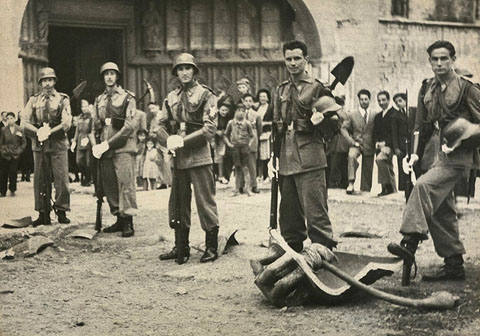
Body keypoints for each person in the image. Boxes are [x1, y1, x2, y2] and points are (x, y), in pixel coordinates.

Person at [388, 40, 480, 281]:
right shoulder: (426, 88)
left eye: (444, 59)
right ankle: (453, 265)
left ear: (453, 60)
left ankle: (409, 241)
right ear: (429, 62)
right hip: (433, 152)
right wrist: (415, 153)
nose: (439, 63)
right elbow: (420, 125)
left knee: (423, 187)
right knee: (440, 209)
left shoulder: (467, 88)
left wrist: (464, 135)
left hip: (458, 155)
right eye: (435, 59)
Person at [271, 40, 338, 253]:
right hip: (287, 157)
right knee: (289, 212)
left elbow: (335, 124)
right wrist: (274, 158)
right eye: (288, 59)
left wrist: (323, 121)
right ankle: (293, 253)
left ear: (306, 59)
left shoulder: (318, 87)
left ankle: (323, 251)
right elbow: (276, 127)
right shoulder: (280, 90)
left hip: (310, 156)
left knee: (315, 211)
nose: (293, 63)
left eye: (297, 58)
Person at [156, 53, 220, 263]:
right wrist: (168, 140)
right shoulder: (171, 97)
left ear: (194, 71)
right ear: (176, 73)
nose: (184, 72)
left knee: (205, 202)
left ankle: (211, 246)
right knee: (178, 203)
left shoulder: (206, 95)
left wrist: (183, 141)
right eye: (180, 69)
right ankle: (180, 245)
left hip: (199, 155)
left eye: (188, 68)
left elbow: (209, 128)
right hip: (178, 158)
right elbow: (159, 125)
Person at [92, 62, 138, 238]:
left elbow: (128, 127)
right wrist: (95, 144)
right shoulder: (99, 100)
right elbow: (96, 125)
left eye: (112, 74)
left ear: (117, 76)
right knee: (109, 185)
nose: (109, 77)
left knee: (125, 184)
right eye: (106, 74)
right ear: (103, 77)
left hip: (123, 147)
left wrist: (108, 144)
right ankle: (118, 217)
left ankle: (128, 221)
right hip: (105, 149)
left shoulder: (127, 98)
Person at [21, 67, 72, 226]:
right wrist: (38, 132)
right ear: (40, 83)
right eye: (44, 80)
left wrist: (49, 131)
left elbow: (66, 123)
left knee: (61, 178)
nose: (47, 83)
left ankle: (62, 210)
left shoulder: (63, 99)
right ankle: (43, 213)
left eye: (50, 80)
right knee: (40, 180)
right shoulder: (34, 100)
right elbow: (24, 123)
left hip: (58, 144)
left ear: (54, 81)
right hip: (40, 144)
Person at [342, 89, 377, 194]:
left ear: (369, 100)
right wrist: (351, 141)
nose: (364, 101)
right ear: (359, 100)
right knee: (351, 156)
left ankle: (365, 189)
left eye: (366, 99)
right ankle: (351, 183)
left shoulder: (374, 115)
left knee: (368, 167)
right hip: (356, 144)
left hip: (369, 144)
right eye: (361, 99)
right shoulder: (352, 114)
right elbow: (343, 129)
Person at [225, 105, 254, 196]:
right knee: (237, 168)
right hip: (235, 147)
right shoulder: (231, 123)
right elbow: (225, 135)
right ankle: (236, 189)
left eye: (243, 111)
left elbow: (252, 136)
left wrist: (249, 144)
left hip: (244, 147)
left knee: (245, 168)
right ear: (235, 112)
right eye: (239, 110)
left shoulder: (247, 123)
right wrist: (229, 144)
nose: (241, 112)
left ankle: (248, 189)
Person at [392, 92, 418, 191]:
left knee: (415, 165)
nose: (398, 103)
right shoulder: (395, 116)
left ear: (405, 101)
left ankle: (418, 186)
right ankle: (404, 189)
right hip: (402, 145)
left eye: (400, 101)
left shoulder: (414, 111)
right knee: (402, 167)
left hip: (413, 144)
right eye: (396, 102)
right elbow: (394, 133)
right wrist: (396, 148)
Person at [373, 90, 397, 196]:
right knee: (387, 166)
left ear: (388, 100)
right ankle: (390, 188)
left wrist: (386, 143)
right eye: (379, 100)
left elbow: (396, 133)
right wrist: (377, 142)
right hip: (380, 146)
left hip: (390, 146)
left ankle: (387, 187)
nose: (381, 102)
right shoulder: (378, 116)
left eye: (383, 100)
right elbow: (375, 132)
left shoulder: (394, 114)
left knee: (381, 160)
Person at [0, 112, 26, 197]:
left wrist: (20, 150)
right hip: (5, 154)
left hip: (15, 154)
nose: (10, 120)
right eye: (8, 119)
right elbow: (1, 142)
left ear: (14, 119)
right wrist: (3, 151)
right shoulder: (3, 130)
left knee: (13, 172)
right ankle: (2, 191)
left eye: (11, 118)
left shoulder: (19, 129)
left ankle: (12, 188)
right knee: (3, 173)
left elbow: (23, 142)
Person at [326, 96, 349, 189]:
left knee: (334, 163)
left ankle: (334, 183)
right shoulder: (344, 113)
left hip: (337, 141)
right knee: (341, 163)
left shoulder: (336, 114)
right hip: (341, 142)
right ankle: (343, 183)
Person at [71, 99, 95, 186]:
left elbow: (92, 130)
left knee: (88, 163)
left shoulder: (92, 118)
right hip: (80, 141)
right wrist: (74, 141)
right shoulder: (79, 118)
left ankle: (87, 179)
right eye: (82, 107)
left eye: (85, 106)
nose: (84, 108)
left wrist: (89, 140)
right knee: (79, 161)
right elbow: (77, 131)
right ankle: (85, 176)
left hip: (88, 141)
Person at [243, 93, 262, 193]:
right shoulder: (239, 113)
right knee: (242, 162)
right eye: (246, 101)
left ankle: (254, 185)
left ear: (253, 102)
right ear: (243, 101)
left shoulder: (256, 114)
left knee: (252, 163)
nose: (248, 103)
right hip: (242, 139)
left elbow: (259, 128)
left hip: (252, 139)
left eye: (250, 101)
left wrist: (255, 137)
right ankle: (242, 185)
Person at [256, 88, 273, 182]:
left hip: (266, 133)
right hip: (257, 133)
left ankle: (267, 175)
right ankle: (259, 175)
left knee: (266, 155)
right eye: (261, 96)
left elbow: (273, 121)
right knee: (258, 155)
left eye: (264, 96)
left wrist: (265, 123)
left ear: (267, 98)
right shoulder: (257, 107)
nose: (262, 98)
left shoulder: (270, 108)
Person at [215, 102, 232, 184]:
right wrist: (216, 132)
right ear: (218, 110)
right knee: (219, 157)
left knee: (226, 158)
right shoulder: (215, 118)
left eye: (226, 110)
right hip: (217, 140)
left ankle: (226, 176)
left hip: (227, 139)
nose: (224, 112)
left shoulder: (229, 118)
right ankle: (219, 175)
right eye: (222, 110)